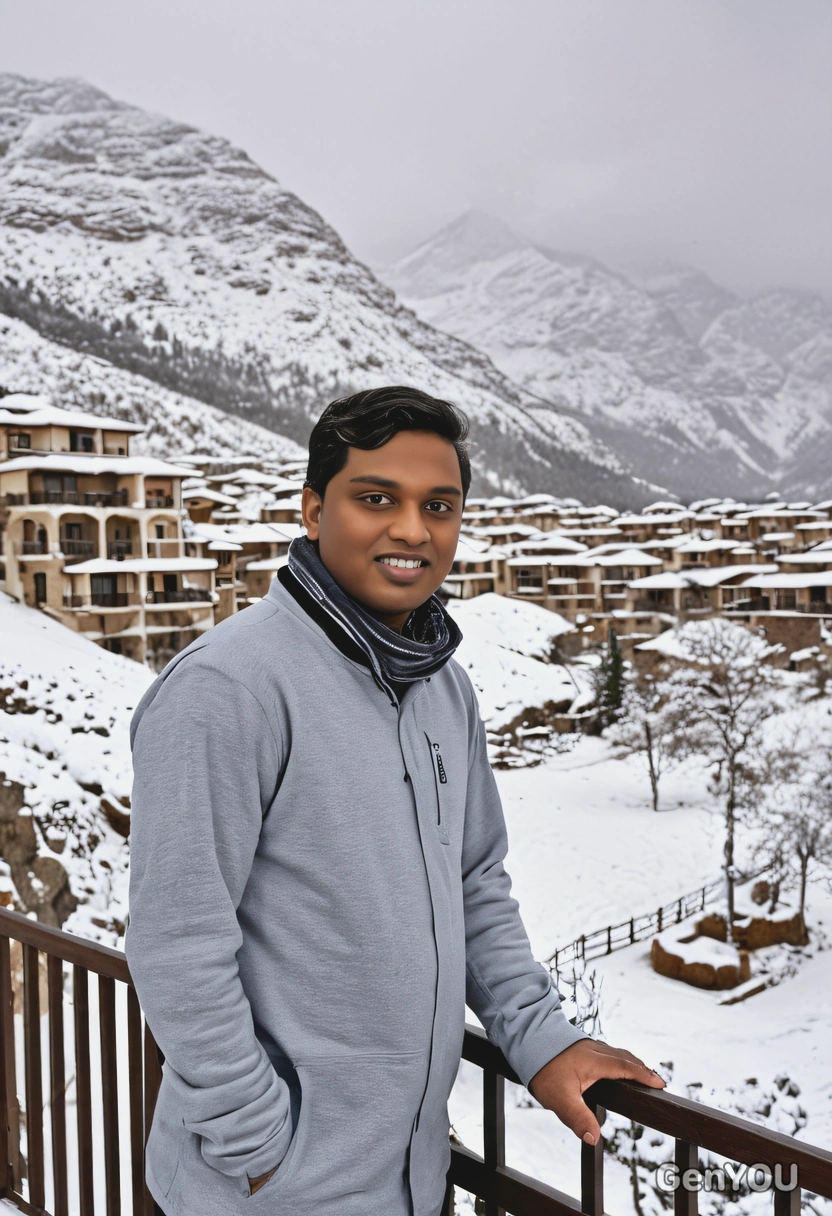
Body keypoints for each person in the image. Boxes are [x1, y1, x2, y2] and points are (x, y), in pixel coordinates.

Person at [125, 385, 664, 1216]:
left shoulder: (443, 687)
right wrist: (261, 1146)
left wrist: (541, 1037)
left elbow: (474, 881)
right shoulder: (227, 689)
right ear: (312, 510)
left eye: (438, 506)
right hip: (267, 1194)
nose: (412, 529)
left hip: (409, 1184)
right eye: (377, 498)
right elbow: (179, 944)